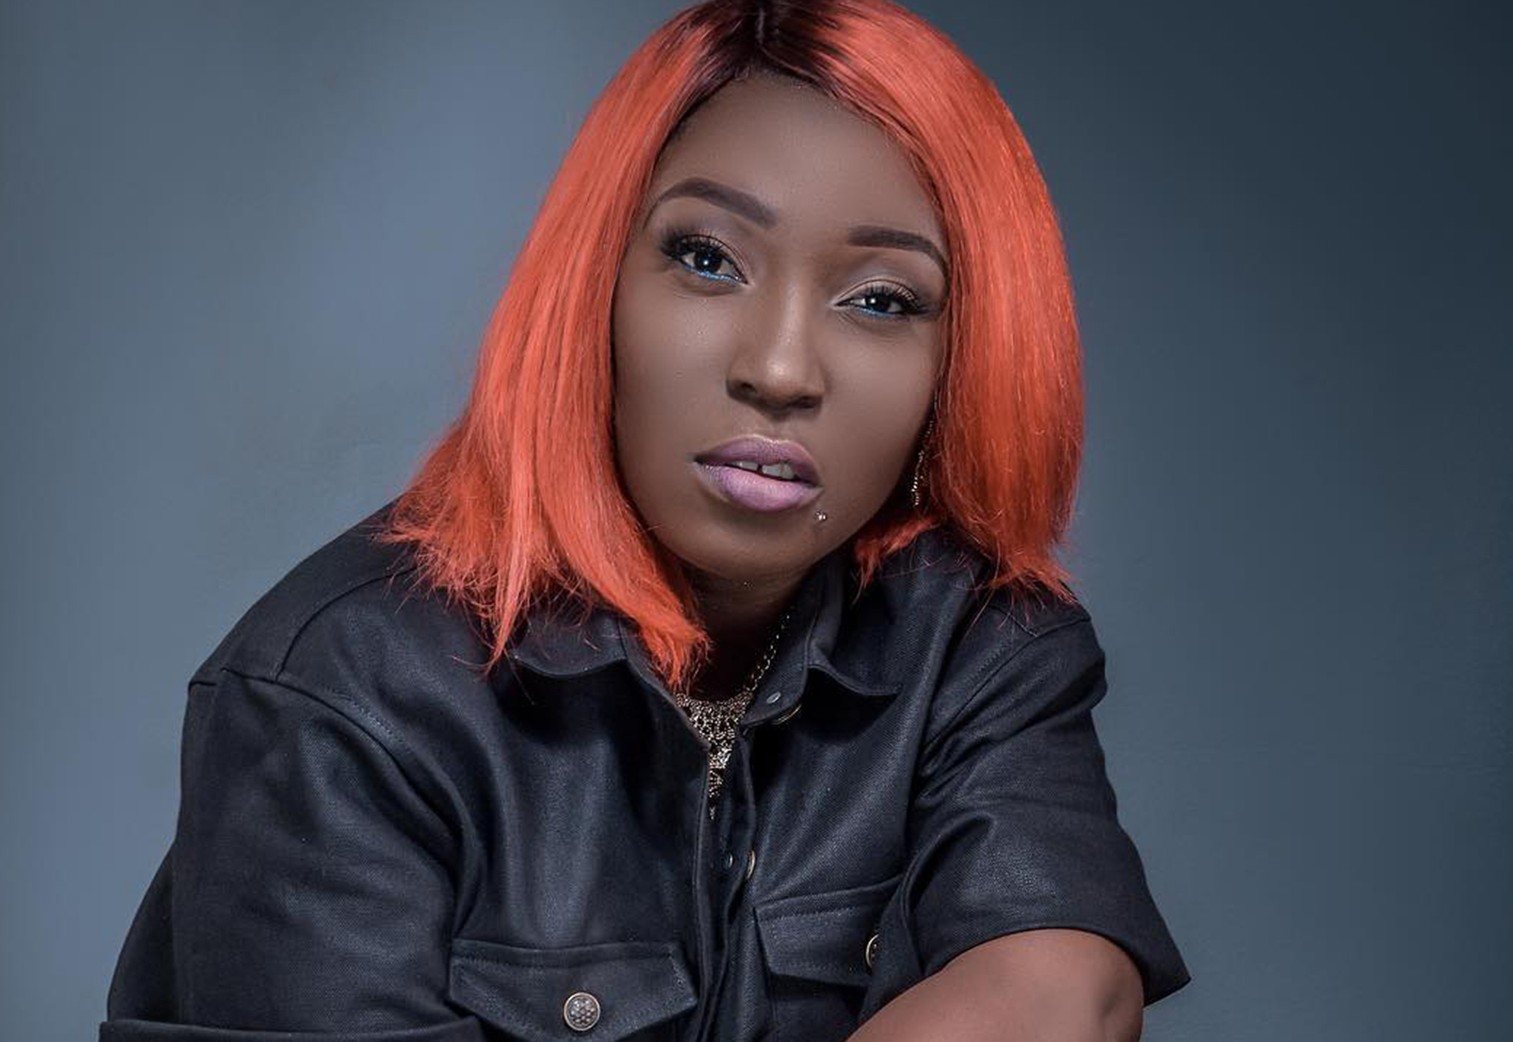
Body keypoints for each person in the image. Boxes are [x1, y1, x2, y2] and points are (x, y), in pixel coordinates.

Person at [99, 1, 1191, 1039]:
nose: (779, 369)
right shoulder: (344, 696)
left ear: (961, 358)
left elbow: (1059, 993)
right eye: (707, 259)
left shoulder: (971, 644)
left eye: (880, 300)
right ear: (597, 285)